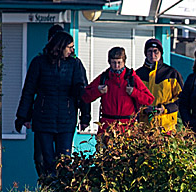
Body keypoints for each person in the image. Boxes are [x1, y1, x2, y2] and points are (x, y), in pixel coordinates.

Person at [15, 30, 89, 183]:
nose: (72, 50)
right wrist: (23, 116)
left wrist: (85, 116)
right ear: (60, 47)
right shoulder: (39, 63)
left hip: (66, 118)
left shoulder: (75, 64)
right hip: (44, 118)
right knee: (46, 160)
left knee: (64, 160)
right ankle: (49, 190)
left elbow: (83, 92)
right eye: (69, 47)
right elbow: (28, 90)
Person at [81, 46, 154, 147]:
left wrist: (134, 92)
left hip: (127, 127)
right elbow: (85, 96)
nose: (116, 66)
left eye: (119, 62)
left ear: (124, 61)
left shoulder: (131, 77)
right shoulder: (104, 77)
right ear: (109, 62)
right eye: (114, 63)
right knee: (104, 159)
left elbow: (149, 99)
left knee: (126, 160)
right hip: (107, 126)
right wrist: (98, 91)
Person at [135, 38, 184, 133]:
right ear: (145, 53)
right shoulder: (138, 75)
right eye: (149, 51)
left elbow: (181, 99)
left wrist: (165, 108)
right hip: (144, 127)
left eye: (155, 51)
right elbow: (133, 100)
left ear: (161, 53)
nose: (152, 54)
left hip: (167, 127)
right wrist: (144, 110)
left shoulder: (172, 74)